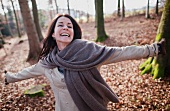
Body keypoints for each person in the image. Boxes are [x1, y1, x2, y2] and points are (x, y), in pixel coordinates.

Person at [4, 14, 166, 111]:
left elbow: (121, 53)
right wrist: (9, 78)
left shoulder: (90, 53)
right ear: (53, 34)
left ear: (74, 33)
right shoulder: (48, 63)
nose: (66, 28)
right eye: (60, 25)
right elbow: (28, 72)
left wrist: (153, 49)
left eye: (69, 26)